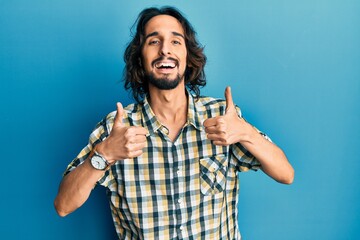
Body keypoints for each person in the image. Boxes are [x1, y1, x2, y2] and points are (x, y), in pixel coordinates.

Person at [54, 6, 294, 239]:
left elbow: (286, 174)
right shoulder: (116, 128)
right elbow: (63, 205)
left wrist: (246, 133)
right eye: (154, 41)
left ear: (188, 57)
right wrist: (104, 154)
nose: (165, 50)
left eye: (175, 41)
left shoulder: (223, 117)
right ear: (140, 59)